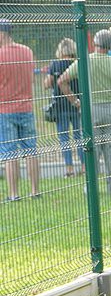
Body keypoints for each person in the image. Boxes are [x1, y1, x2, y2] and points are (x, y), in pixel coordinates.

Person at [58, 29, 111, 195]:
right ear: (110, 46)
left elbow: (62, 81)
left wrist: (76, 102)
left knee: (92, 150)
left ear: (95, 44)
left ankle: (91, 189)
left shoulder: (83, 62)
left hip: (90, 108)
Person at [0, 18, 40, 200]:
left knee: (9, 153)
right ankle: (34, 191)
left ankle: (14, 194)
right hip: (27, 106)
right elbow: (32, 79)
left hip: (5, 109)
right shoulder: (27, 51)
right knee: (31, 151)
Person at [43, 38, 84, 177]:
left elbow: (46, 84)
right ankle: (84, 167)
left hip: (60, 107)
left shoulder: (55, 65)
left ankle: (69, 169)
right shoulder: (78, 63)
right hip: (77, 105)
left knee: (64, 139)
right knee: (79, 136)